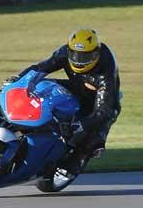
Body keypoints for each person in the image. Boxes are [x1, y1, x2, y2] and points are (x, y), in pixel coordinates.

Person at [13, 27, 121, 176]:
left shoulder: (106, 73)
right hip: (77, 87)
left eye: (85, 56)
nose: (79, 60)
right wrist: (20, 80)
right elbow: (42, 68)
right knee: (41, 86)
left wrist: (81, 125)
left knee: (92, 140)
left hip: (101, 102)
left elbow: (105, 110)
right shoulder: (64, 52)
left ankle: (75, 162)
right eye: (75, 54)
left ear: (96, 53)